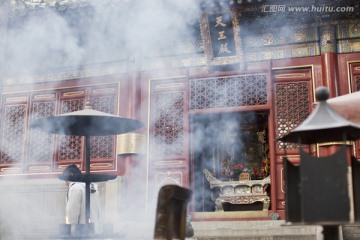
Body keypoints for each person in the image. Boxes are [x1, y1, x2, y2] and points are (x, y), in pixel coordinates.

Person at [59, 164, 102, 234]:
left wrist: (71, 232)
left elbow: (72, 213)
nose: (66, 183)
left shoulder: (75, 188)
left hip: (81, 231)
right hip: (95, 229)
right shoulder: (92, 186)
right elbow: (99, 211)